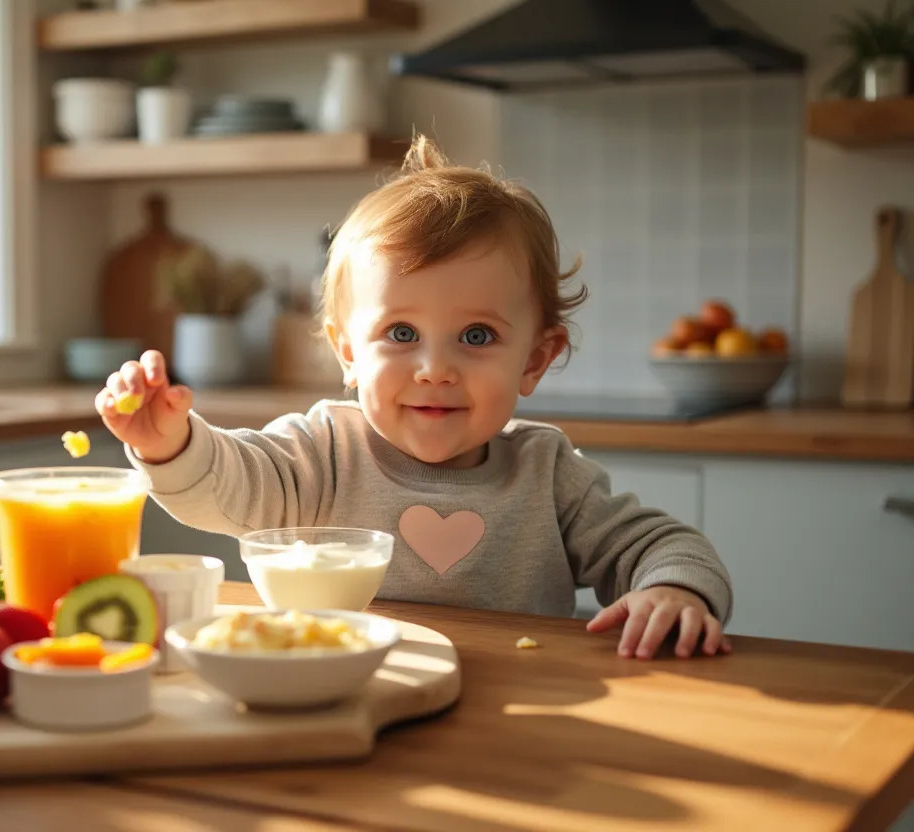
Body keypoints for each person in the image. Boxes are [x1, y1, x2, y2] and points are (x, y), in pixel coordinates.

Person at [97, 135, 732, 660]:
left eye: (476, 335)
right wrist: (170, 444)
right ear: (348, 353)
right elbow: (227, 485)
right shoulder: (321, 452)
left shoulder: (549, 475)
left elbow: (664, 545)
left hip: (521, 713)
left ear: (534, 359)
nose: (434, 369)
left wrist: (676, 591)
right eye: (401, 334)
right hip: (342, 698)